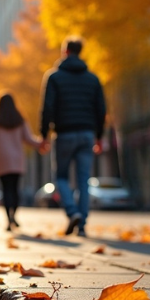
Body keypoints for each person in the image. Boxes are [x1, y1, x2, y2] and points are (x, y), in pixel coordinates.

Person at [39, 37, 107, 237]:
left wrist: (43, 135)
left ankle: (72, 211)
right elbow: (101, 109)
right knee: (83, 180)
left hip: (65, 133)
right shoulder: (93, 79)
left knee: (60, 177)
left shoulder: (54, 77)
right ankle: (82, 224)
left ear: (65, 52)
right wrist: (99, 136)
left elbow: (47, 108)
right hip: (87, 134)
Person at [0, 93, 45, 231]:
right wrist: (41, 144)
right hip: (17, 159)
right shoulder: (20, 120)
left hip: (1, 159)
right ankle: (14, 214)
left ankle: (8, 219)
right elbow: (29, 138)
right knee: (15, 189)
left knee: (6, 189)